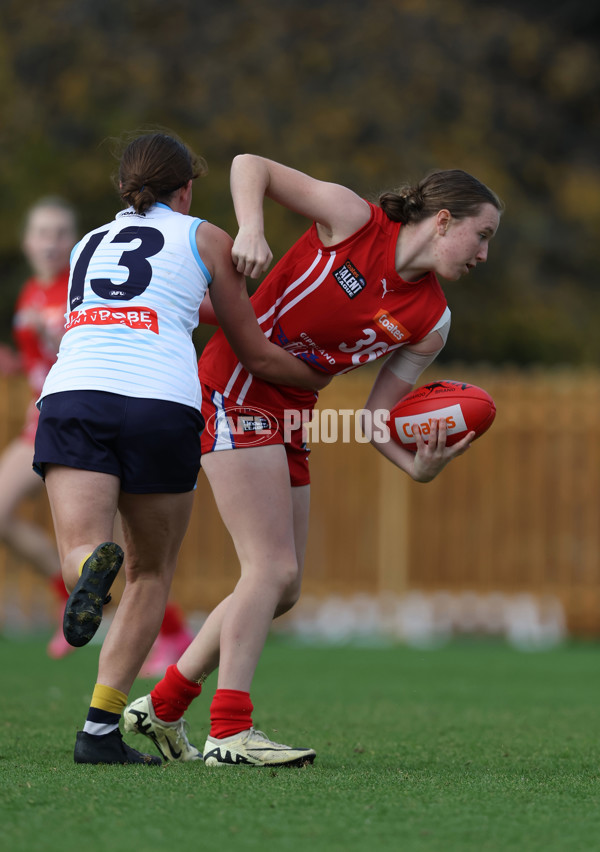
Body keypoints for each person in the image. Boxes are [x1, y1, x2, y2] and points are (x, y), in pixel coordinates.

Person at [123, 154, 503, 767]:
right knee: (269, 569)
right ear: (441, 220)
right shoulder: (355, 220)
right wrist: (251, 228)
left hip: (295, 412)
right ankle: (230, 732)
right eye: (481, 235)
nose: (484, 254)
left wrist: (417, 467)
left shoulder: (432, 322)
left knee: (283, 586)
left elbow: (376, 419)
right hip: (234, 386)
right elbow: (251, 165)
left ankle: (162, 707)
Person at [33, 134, 329, 766]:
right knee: (149, 573)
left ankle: (89, 566)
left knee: (81, 551)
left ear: (124, 189)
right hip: (161, 403)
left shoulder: (87, 245)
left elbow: (127, 308)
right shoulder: (206, 237)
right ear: (187, 188)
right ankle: (100, 730)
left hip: (76, 394)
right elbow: (249, 346)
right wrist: (315, 375)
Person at [0, 197, 76, 658]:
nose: (51, 242)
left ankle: (166, 630)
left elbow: (81, 345)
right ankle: (69, 600)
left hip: (71, 419)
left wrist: (54, 340)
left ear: (74, 239)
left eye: (60, 232)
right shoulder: (30, 289)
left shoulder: (77, 287)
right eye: (42, 233)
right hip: (38, 419)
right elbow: (34, 361)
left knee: (112, 540)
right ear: (27, 241)